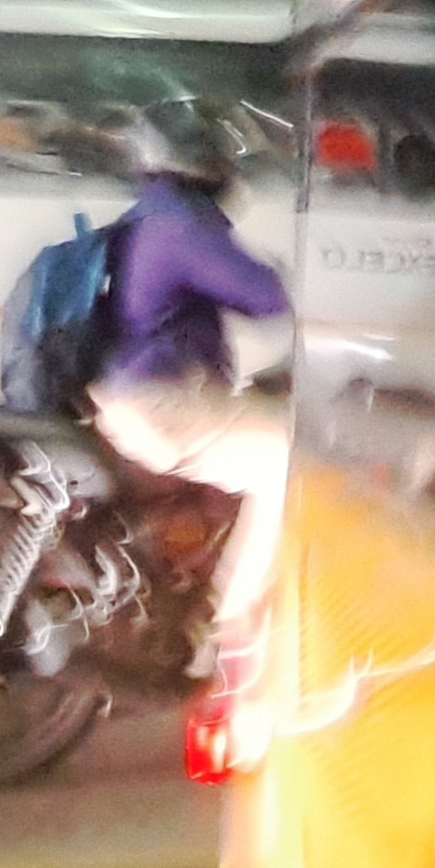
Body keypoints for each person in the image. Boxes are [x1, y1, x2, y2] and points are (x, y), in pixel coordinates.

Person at [86, 101, 291, 675]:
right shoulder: (182, 222)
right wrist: (290, 278)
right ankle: (235, 626)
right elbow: (265, 297)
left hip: (127, 396)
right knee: (289, 462)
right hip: (160, 403)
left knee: (253, 417)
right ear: (202, 161)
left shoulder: (147, 216)